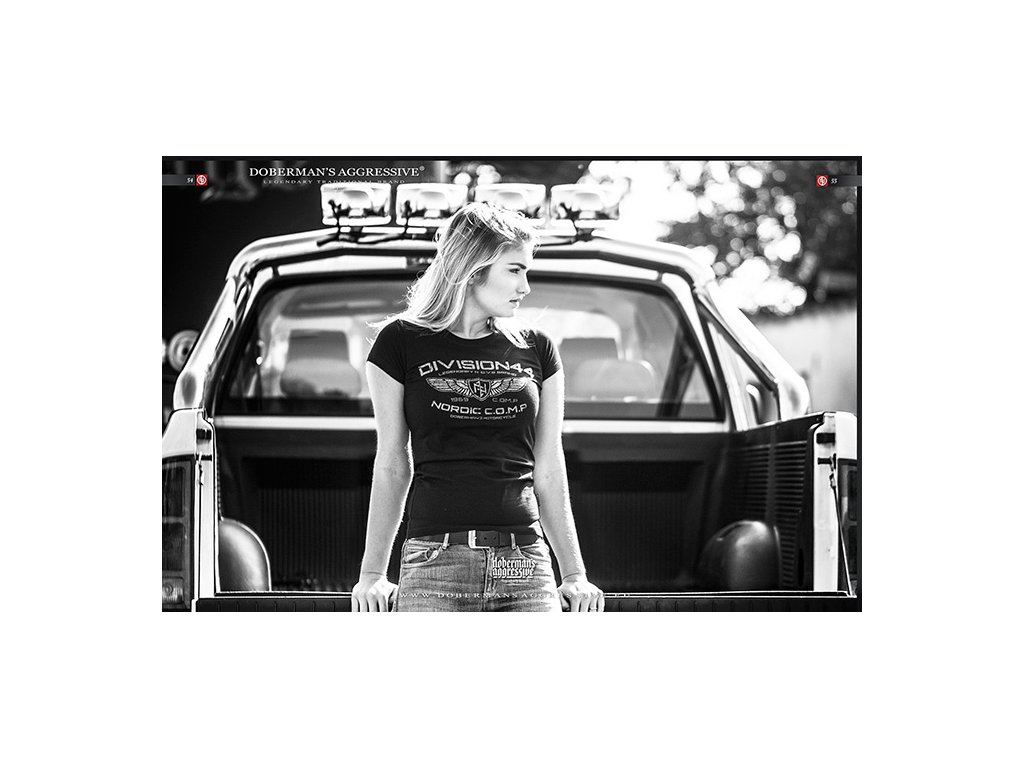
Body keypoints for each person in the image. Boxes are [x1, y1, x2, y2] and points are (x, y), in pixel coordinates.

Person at [351, 201, 604, 612]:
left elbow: (549, 467)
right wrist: (372, 574)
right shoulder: (398, 343)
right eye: (515, 270)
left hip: (525, 562)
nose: (526, 287)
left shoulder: (537, 348)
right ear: (473, 268)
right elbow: (394, 463)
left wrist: (574, 574)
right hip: (432, 561)